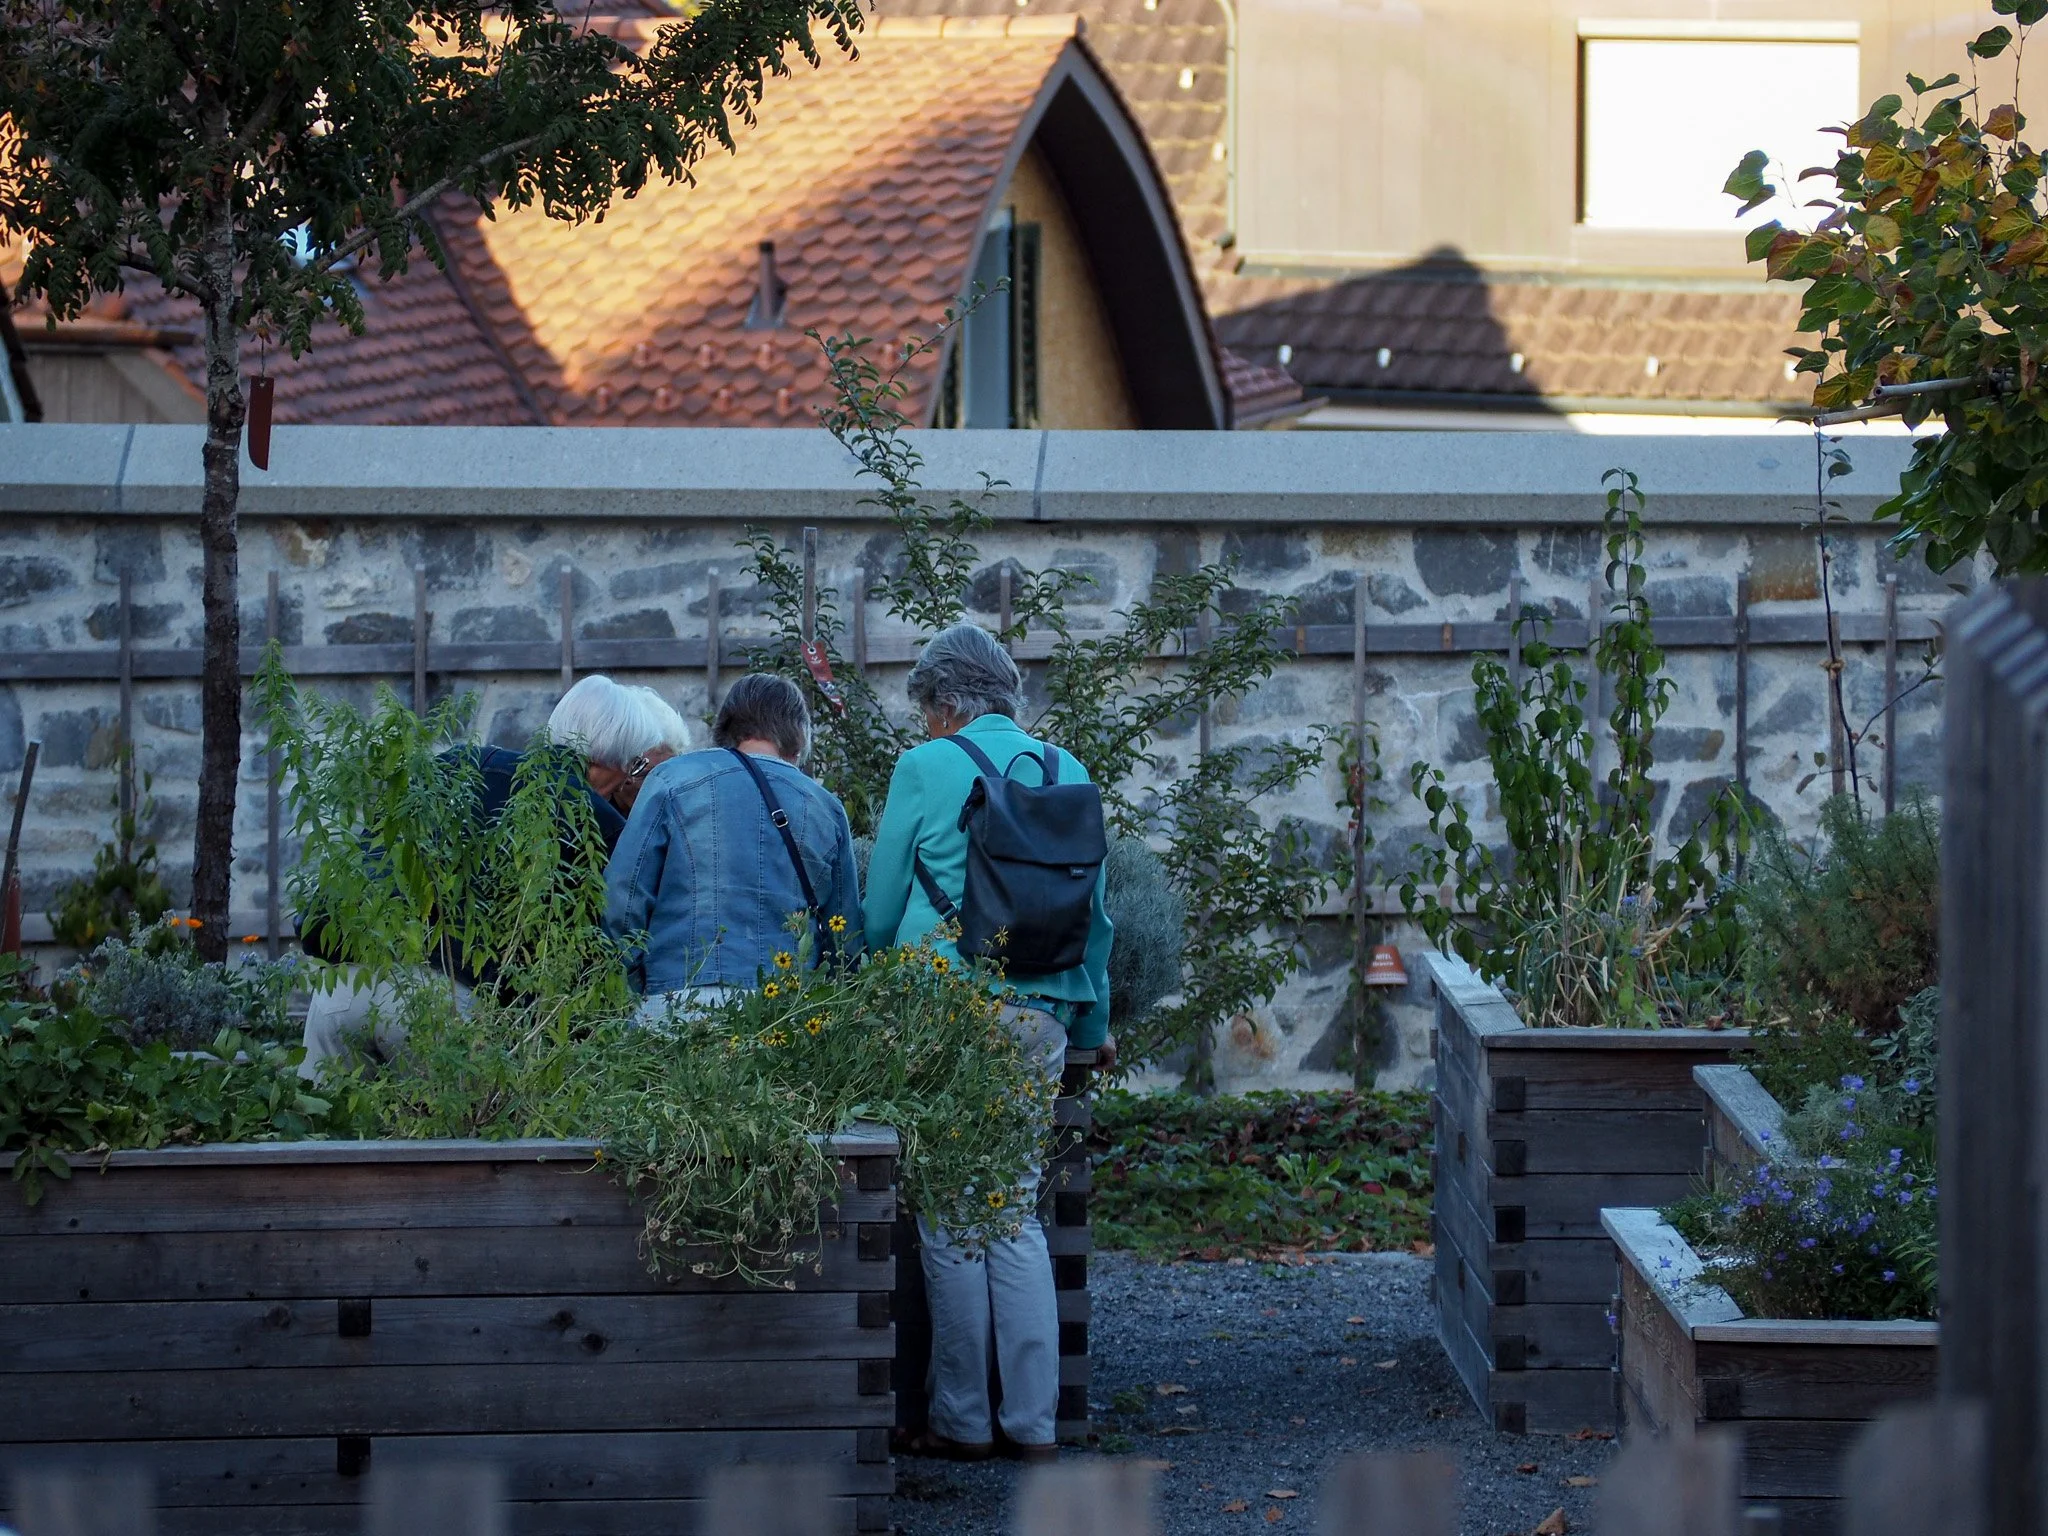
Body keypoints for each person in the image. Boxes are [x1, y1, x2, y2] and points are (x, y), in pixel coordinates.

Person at [864, 623, 1116, 1464]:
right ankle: (1035, 1424)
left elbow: (879, 908)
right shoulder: (1068, 770)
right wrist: (1093, 1027)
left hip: (944, 1005)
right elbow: (1096, 920)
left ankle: (963, 1420)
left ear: (943, 705)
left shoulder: (924, 766)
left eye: (926, 711)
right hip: (1043, 1008)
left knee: (948, 1213)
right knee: (1012, 1209)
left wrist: (873, 981)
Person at [299, 675, 691, 1078]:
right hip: (437, 1005)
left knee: (321, 1115)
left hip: (340, 989)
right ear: (610, 759)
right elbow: (587, 956)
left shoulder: (451, 766)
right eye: (632, 766)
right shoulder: (592, 819)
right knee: (473, 1120)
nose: (625, 784)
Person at [605, 672, 861, 1022]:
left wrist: (631, 988)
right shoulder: (825, 808)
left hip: (675, 997)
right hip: (786, 1008)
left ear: (726, 727)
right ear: (799, 739)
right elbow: (845, 940)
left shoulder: (671, 780)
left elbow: (624, 898)